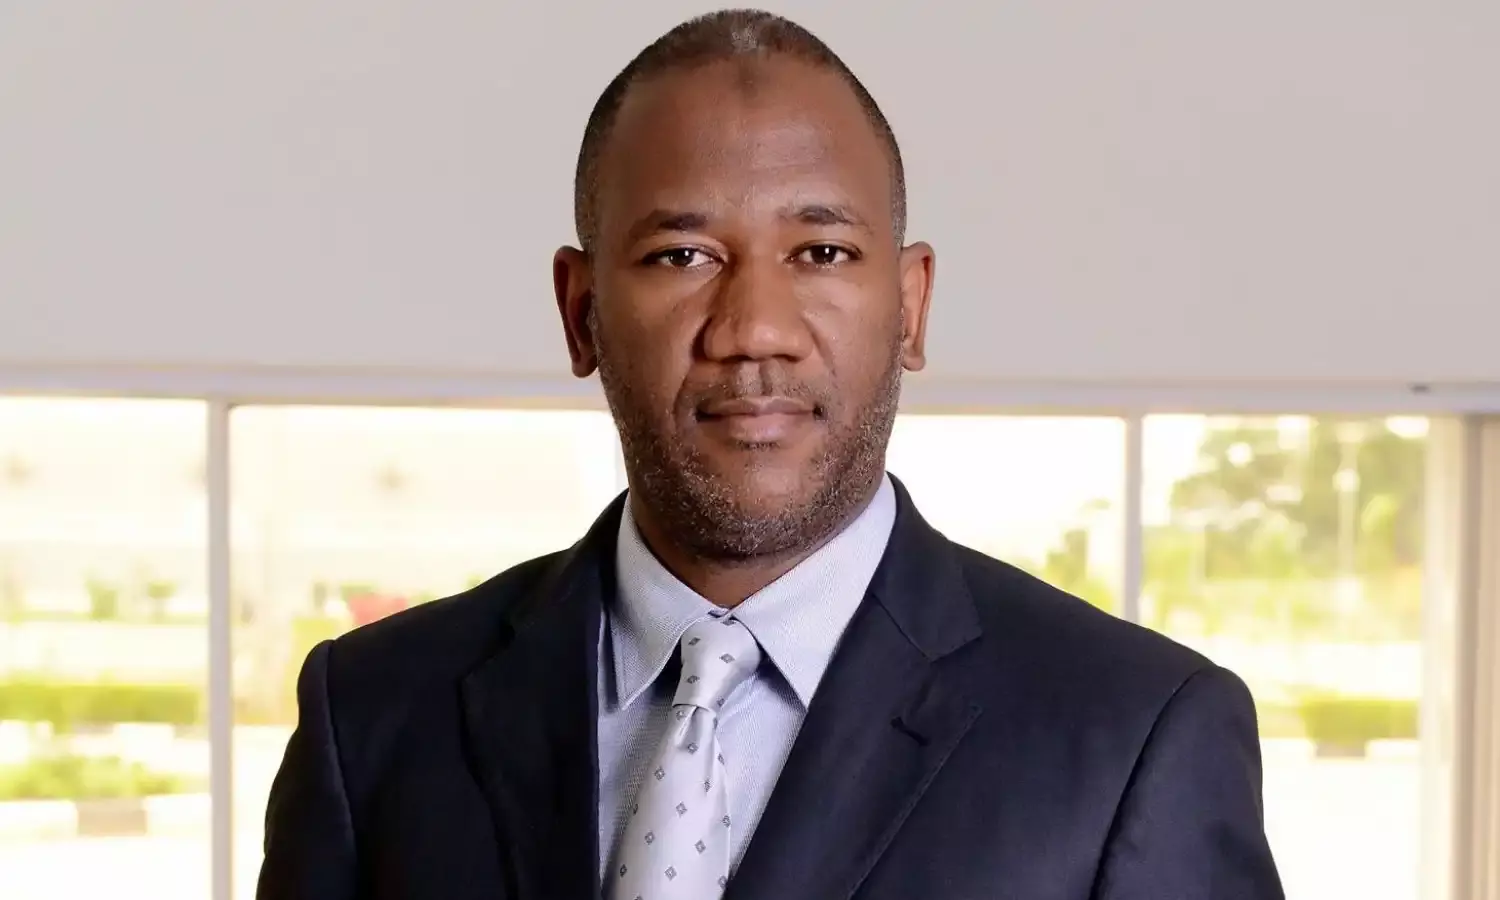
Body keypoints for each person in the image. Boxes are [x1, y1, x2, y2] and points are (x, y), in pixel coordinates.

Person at [256, 9, 1284, 900]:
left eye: (822, 252)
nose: (754, 328)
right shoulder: (374, 716)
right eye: (682, 255)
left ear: (911, 307)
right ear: (580, 312)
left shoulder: (1137, 737)